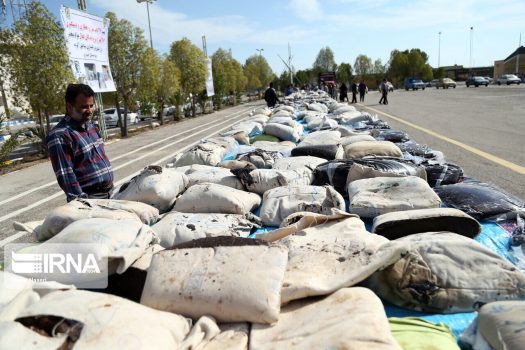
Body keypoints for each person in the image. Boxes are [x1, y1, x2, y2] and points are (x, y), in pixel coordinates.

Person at [48, 84, 114, 202]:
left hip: (110, 192)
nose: (89, 111)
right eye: (84, 107)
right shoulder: (60, 135)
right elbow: (66, 175)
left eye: (91, 106)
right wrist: (84, 205)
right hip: (91, 199)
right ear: (69, 107)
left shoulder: (90, 126)